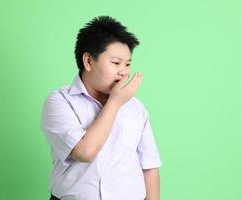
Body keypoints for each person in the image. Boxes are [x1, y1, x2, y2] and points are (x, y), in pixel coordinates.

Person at [41, 16, 162, 200]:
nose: (124, 71)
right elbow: (85, 152)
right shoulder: (60, 102)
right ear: (88, 61)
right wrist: (114, 103)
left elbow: (149, 166)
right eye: (116, 63)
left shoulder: (136, 108)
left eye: (128, 64)